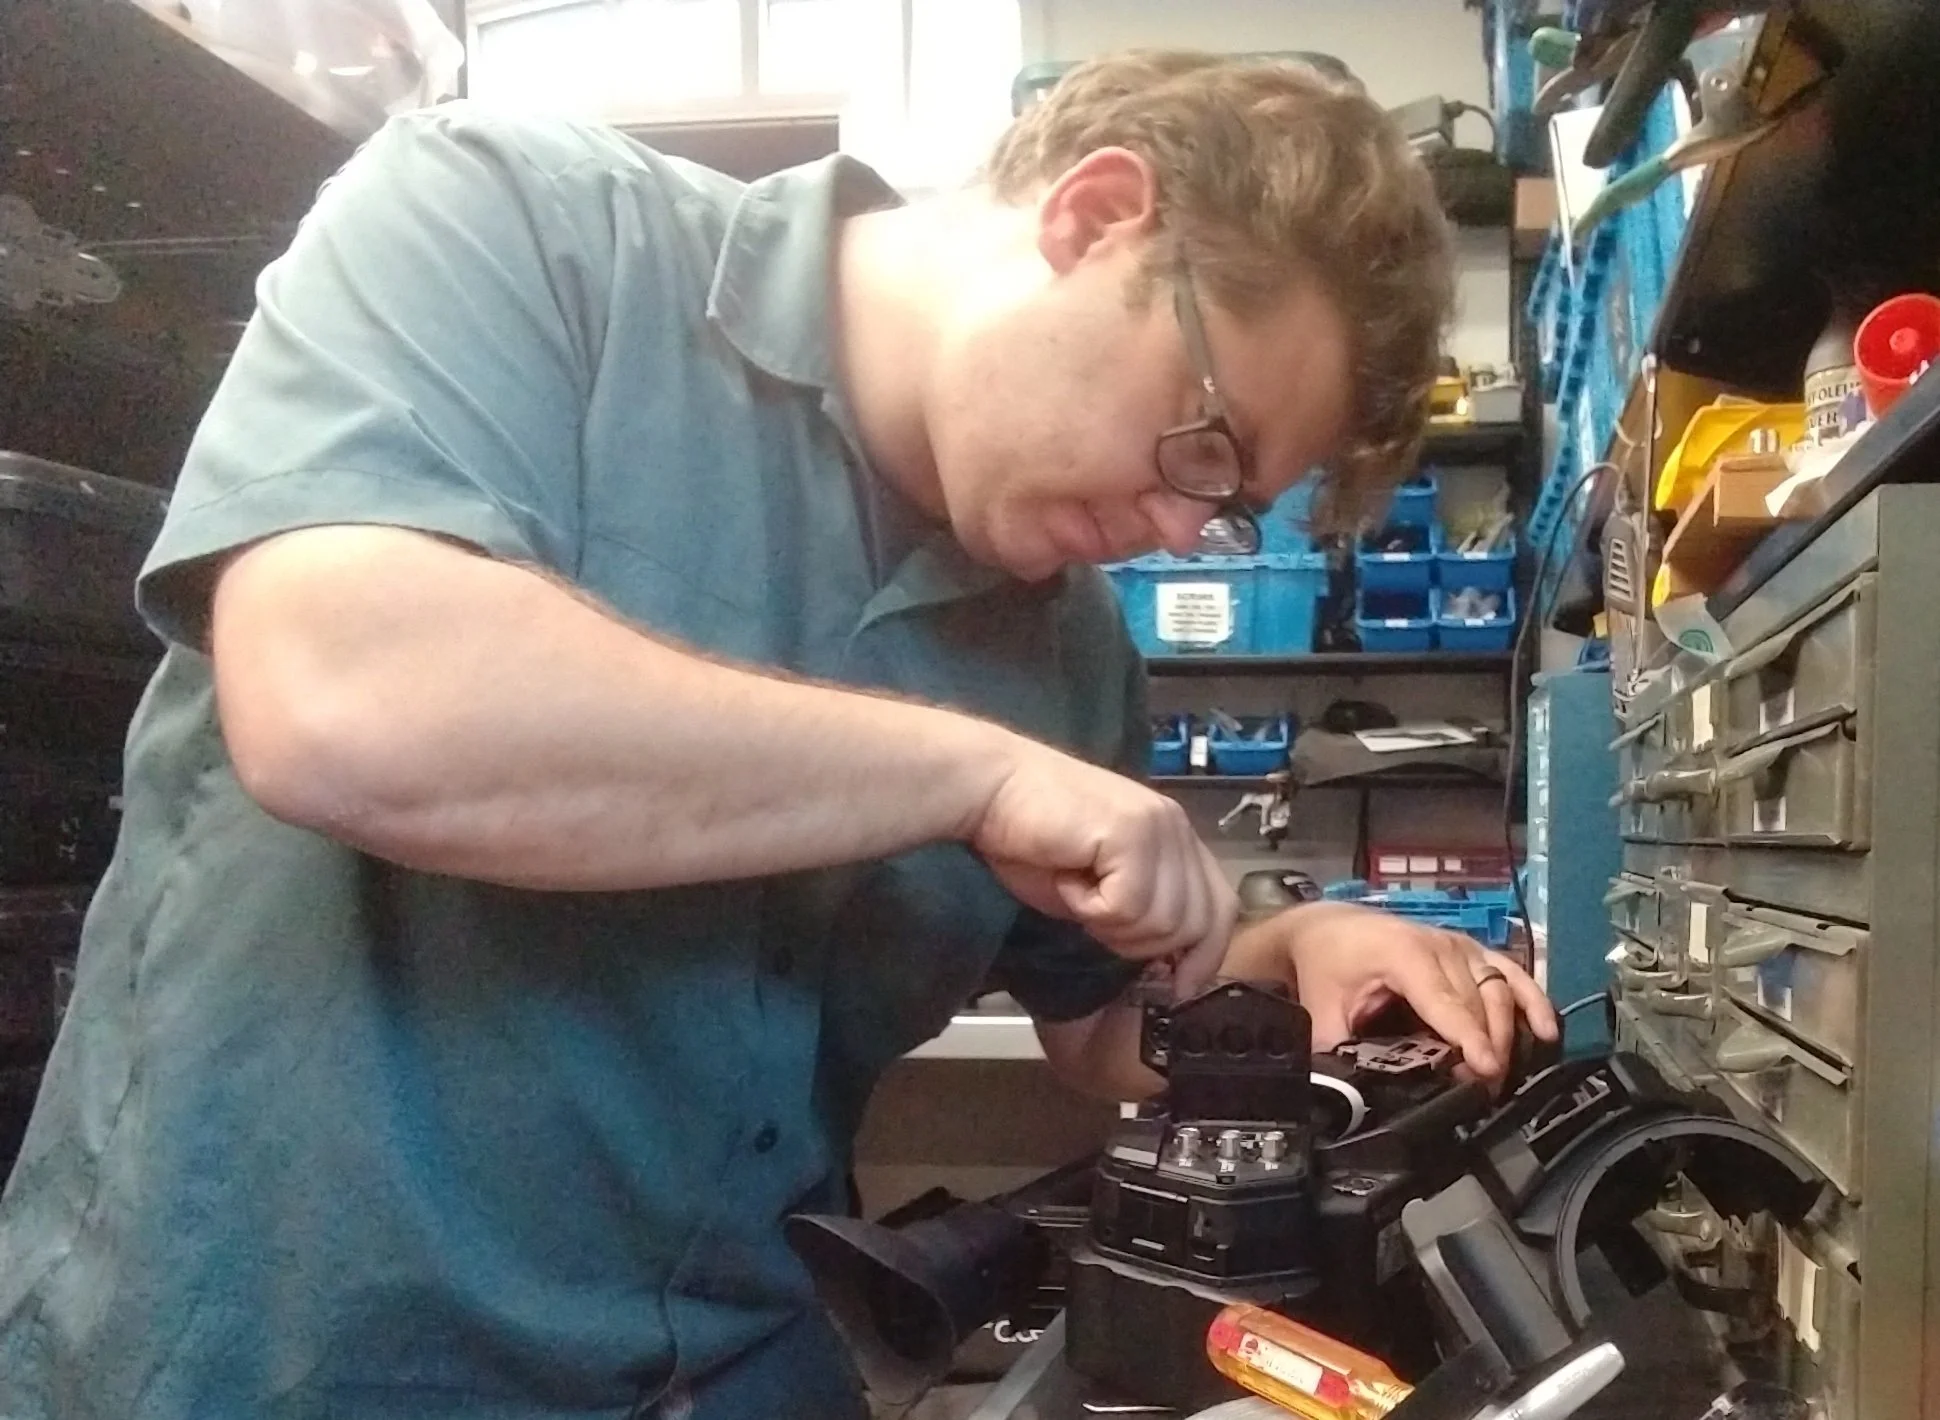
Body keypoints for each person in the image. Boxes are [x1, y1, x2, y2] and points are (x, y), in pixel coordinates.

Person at [0, 48, 1555, 1420]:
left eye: (1219, 510)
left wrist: (1288, 953)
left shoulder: (1070, 650)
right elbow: (343, 706)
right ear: (1094, 217)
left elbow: (1100, 1033)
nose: (1164, 528)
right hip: (279, 1366)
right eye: (1197, 443)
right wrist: (966, 772)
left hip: (745, 1369)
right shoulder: (512, 227)